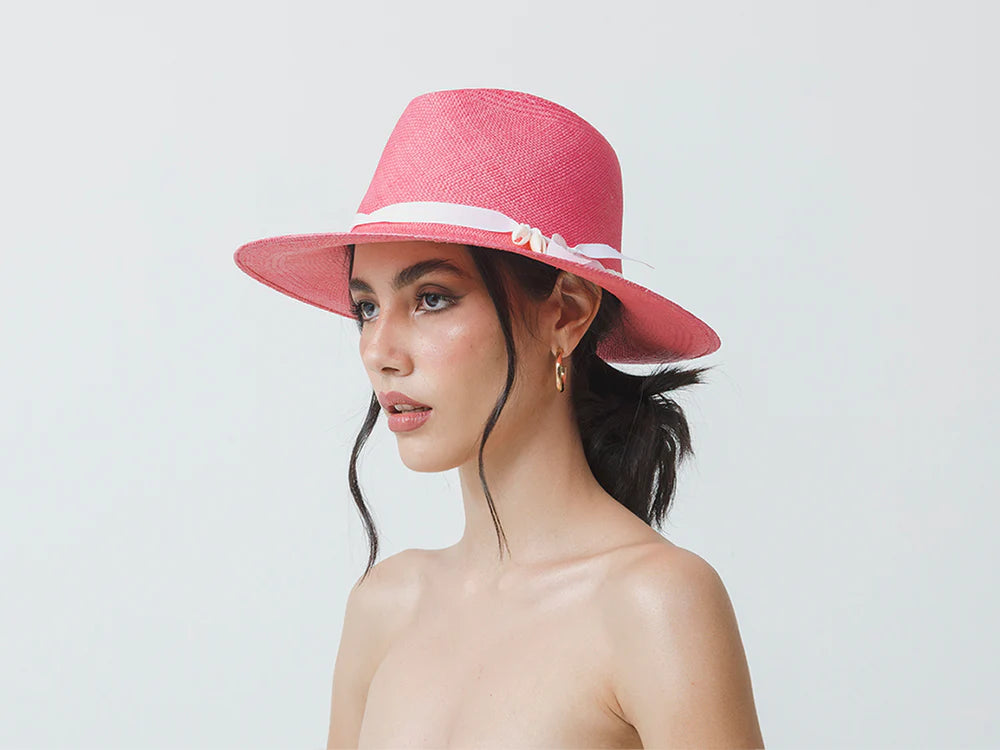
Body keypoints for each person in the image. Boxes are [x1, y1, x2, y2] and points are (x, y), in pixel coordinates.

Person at [235, 88, 764, 749]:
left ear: (566, 313)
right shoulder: (385, 606)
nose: (378, 351)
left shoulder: (654, 604)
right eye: (366, 307)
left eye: (432, 298)